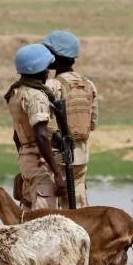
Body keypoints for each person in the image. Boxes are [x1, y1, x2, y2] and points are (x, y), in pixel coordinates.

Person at [4, 43, 66, 210]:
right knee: (44, 218)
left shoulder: (16, 93)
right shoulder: (36, 96)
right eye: (46, 68)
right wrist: (58, 174)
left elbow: (17, 136)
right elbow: (41, 136)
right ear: (39, 69)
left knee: (30, 213)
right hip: (40, 163)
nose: (48, 72)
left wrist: (26, 158)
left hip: (27, 159)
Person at [44, 30, 98, 207]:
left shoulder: (52, 85)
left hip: (58, 157)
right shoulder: (88, 84)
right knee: (79, 207)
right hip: (81, 154)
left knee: (56, 211)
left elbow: (47, 127)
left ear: (56, 57)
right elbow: (92, 123)